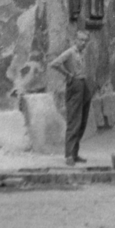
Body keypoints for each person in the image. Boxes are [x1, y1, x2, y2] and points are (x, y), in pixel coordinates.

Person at [48, 29, 91, 166]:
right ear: (75, 40)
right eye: (81, 40)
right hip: (75, 84)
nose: (83, 43)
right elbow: (54, 63)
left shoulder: (81, 53)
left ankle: (75, 153)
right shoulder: (70, 52)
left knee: (83, 120)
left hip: (83, 84)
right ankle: (69, 155)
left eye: (85, 41)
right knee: (74, 119)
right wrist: (67, 74)